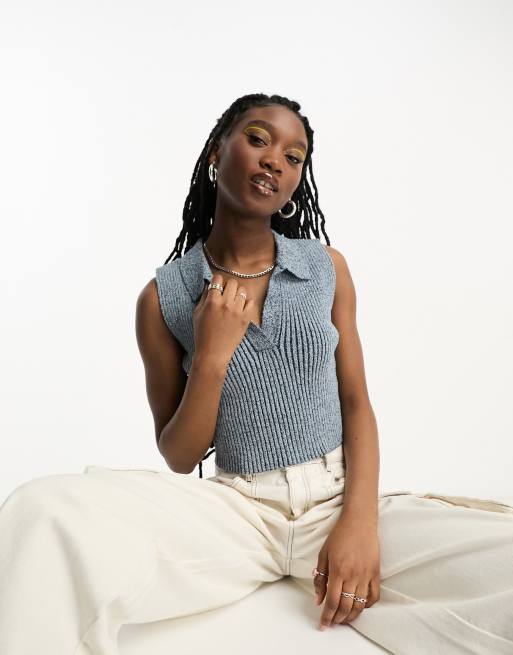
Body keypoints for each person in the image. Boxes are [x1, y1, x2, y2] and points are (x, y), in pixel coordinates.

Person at [1, 93, 512, 655]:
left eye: (294, 157)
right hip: (234, 514)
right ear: (218, 151)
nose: (275, 160)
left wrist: (358, 524)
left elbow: (356, 402)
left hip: (337, 500)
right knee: (42, 512)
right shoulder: (163, 297)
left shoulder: (325, 267)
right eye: (259, 139)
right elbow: (179, 454)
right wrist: (212, 355)